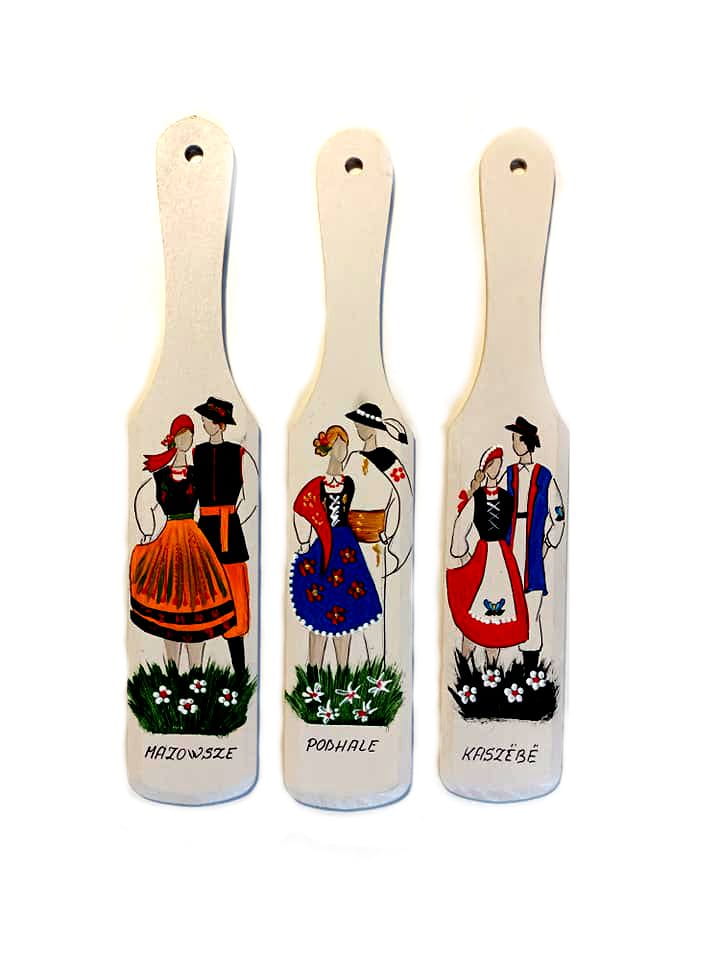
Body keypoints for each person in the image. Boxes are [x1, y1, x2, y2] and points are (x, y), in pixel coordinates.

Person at [129, 414, 235, 670]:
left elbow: (209, 504)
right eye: (182, 435)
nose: (186, 440)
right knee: (170, 602)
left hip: (193, 539)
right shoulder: (160, 476)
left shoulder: (197, 473)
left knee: (197, 601)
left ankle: (197, 671)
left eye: (190, 435)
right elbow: (144, 503)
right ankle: (172, 671)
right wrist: (147, 533)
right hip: (168, 539)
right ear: (173, 439)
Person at [290, 425, 382, 678]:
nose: (343, 450)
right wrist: (303, 540)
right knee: (318, 607)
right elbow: (300, 509)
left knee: (347, 606)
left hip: (346, 548)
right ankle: (313, 671)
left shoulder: (349, 483)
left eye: (345, 445)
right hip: (323, 546)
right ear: (329, 447)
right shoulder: (317, 484)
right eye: (339, 444)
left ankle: (343, 671)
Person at [193, 396, 258, 678]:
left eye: (207, 420)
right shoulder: (196, 453)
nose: (203, 424)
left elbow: (251, 497)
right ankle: (197, 671)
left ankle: (240, 672)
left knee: (234, 597)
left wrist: (233, 518)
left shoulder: (239, 453)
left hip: (230, 531)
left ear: (219, 424)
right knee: (202, 596)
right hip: (204, 530)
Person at [447, 446, 529, 665]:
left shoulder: (507, 498)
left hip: (502, 557)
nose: (497, 468)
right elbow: (461, 526)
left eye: (499, 464)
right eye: (493, 464)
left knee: (502, 610)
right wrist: (462, 555)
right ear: (485, 468)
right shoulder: (477, 498)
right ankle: (464, 667)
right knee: (474, 608)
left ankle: (492, 668)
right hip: (482, 555)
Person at [343, 402, 413, 662]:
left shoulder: (389, 460)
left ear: (372, 427)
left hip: (374, 544)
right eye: (357, 424)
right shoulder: (352, 459)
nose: (358, 428)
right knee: (350, 602)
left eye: (361, 424)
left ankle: (376, 662)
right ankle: (352, 664)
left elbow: (403, 497)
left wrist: (391, 534)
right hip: (350, 543)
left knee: (373, 604)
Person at [504, 416, 565, 670]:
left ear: (527, 442)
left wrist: (548, 543)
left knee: (532, 605)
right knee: (507, 603)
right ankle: (503, 665)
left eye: (516, 439)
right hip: (509, 545)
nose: (513, 443)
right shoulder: (509, 473)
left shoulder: (544, 475)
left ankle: (530, 669)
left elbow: (558, 514)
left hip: (533, 546)